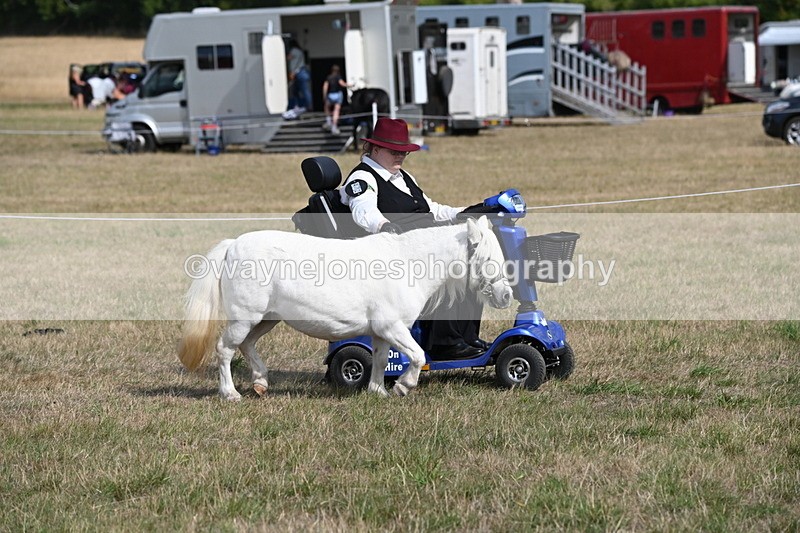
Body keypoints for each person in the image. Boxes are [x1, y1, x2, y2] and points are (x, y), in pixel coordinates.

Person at [340, 117, 488, 359]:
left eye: (404, 152)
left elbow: (432, 210)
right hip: (393, 256)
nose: (400, 156)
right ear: (375, 148)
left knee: (473, 266)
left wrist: (467, 212)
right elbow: (363, 211)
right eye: (394, 151)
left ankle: (465, 337)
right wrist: (383, 225)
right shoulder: (362, 179)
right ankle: (445, 344)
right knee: (453, 270)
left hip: (420, 248)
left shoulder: (402, 176)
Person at [286, 39, 312, 114]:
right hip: (302, 72)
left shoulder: (294, 50)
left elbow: (289, 58)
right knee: (301, 90)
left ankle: (303, 106)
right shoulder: (300, 51)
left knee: (301, 91)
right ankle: (305, 105)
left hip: (298, 73)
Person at [322, 65, 348, 135]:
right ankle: (334, 127)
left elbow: (325, 87)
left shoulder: (329, 77)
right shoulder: (338, 77)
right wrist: (350, 85)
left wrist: (324, 96)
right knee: (336, 111)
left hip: (331, 94)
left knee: (326, 107)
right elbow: (342, 84)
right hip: (338, 94)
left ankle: (328, 121)